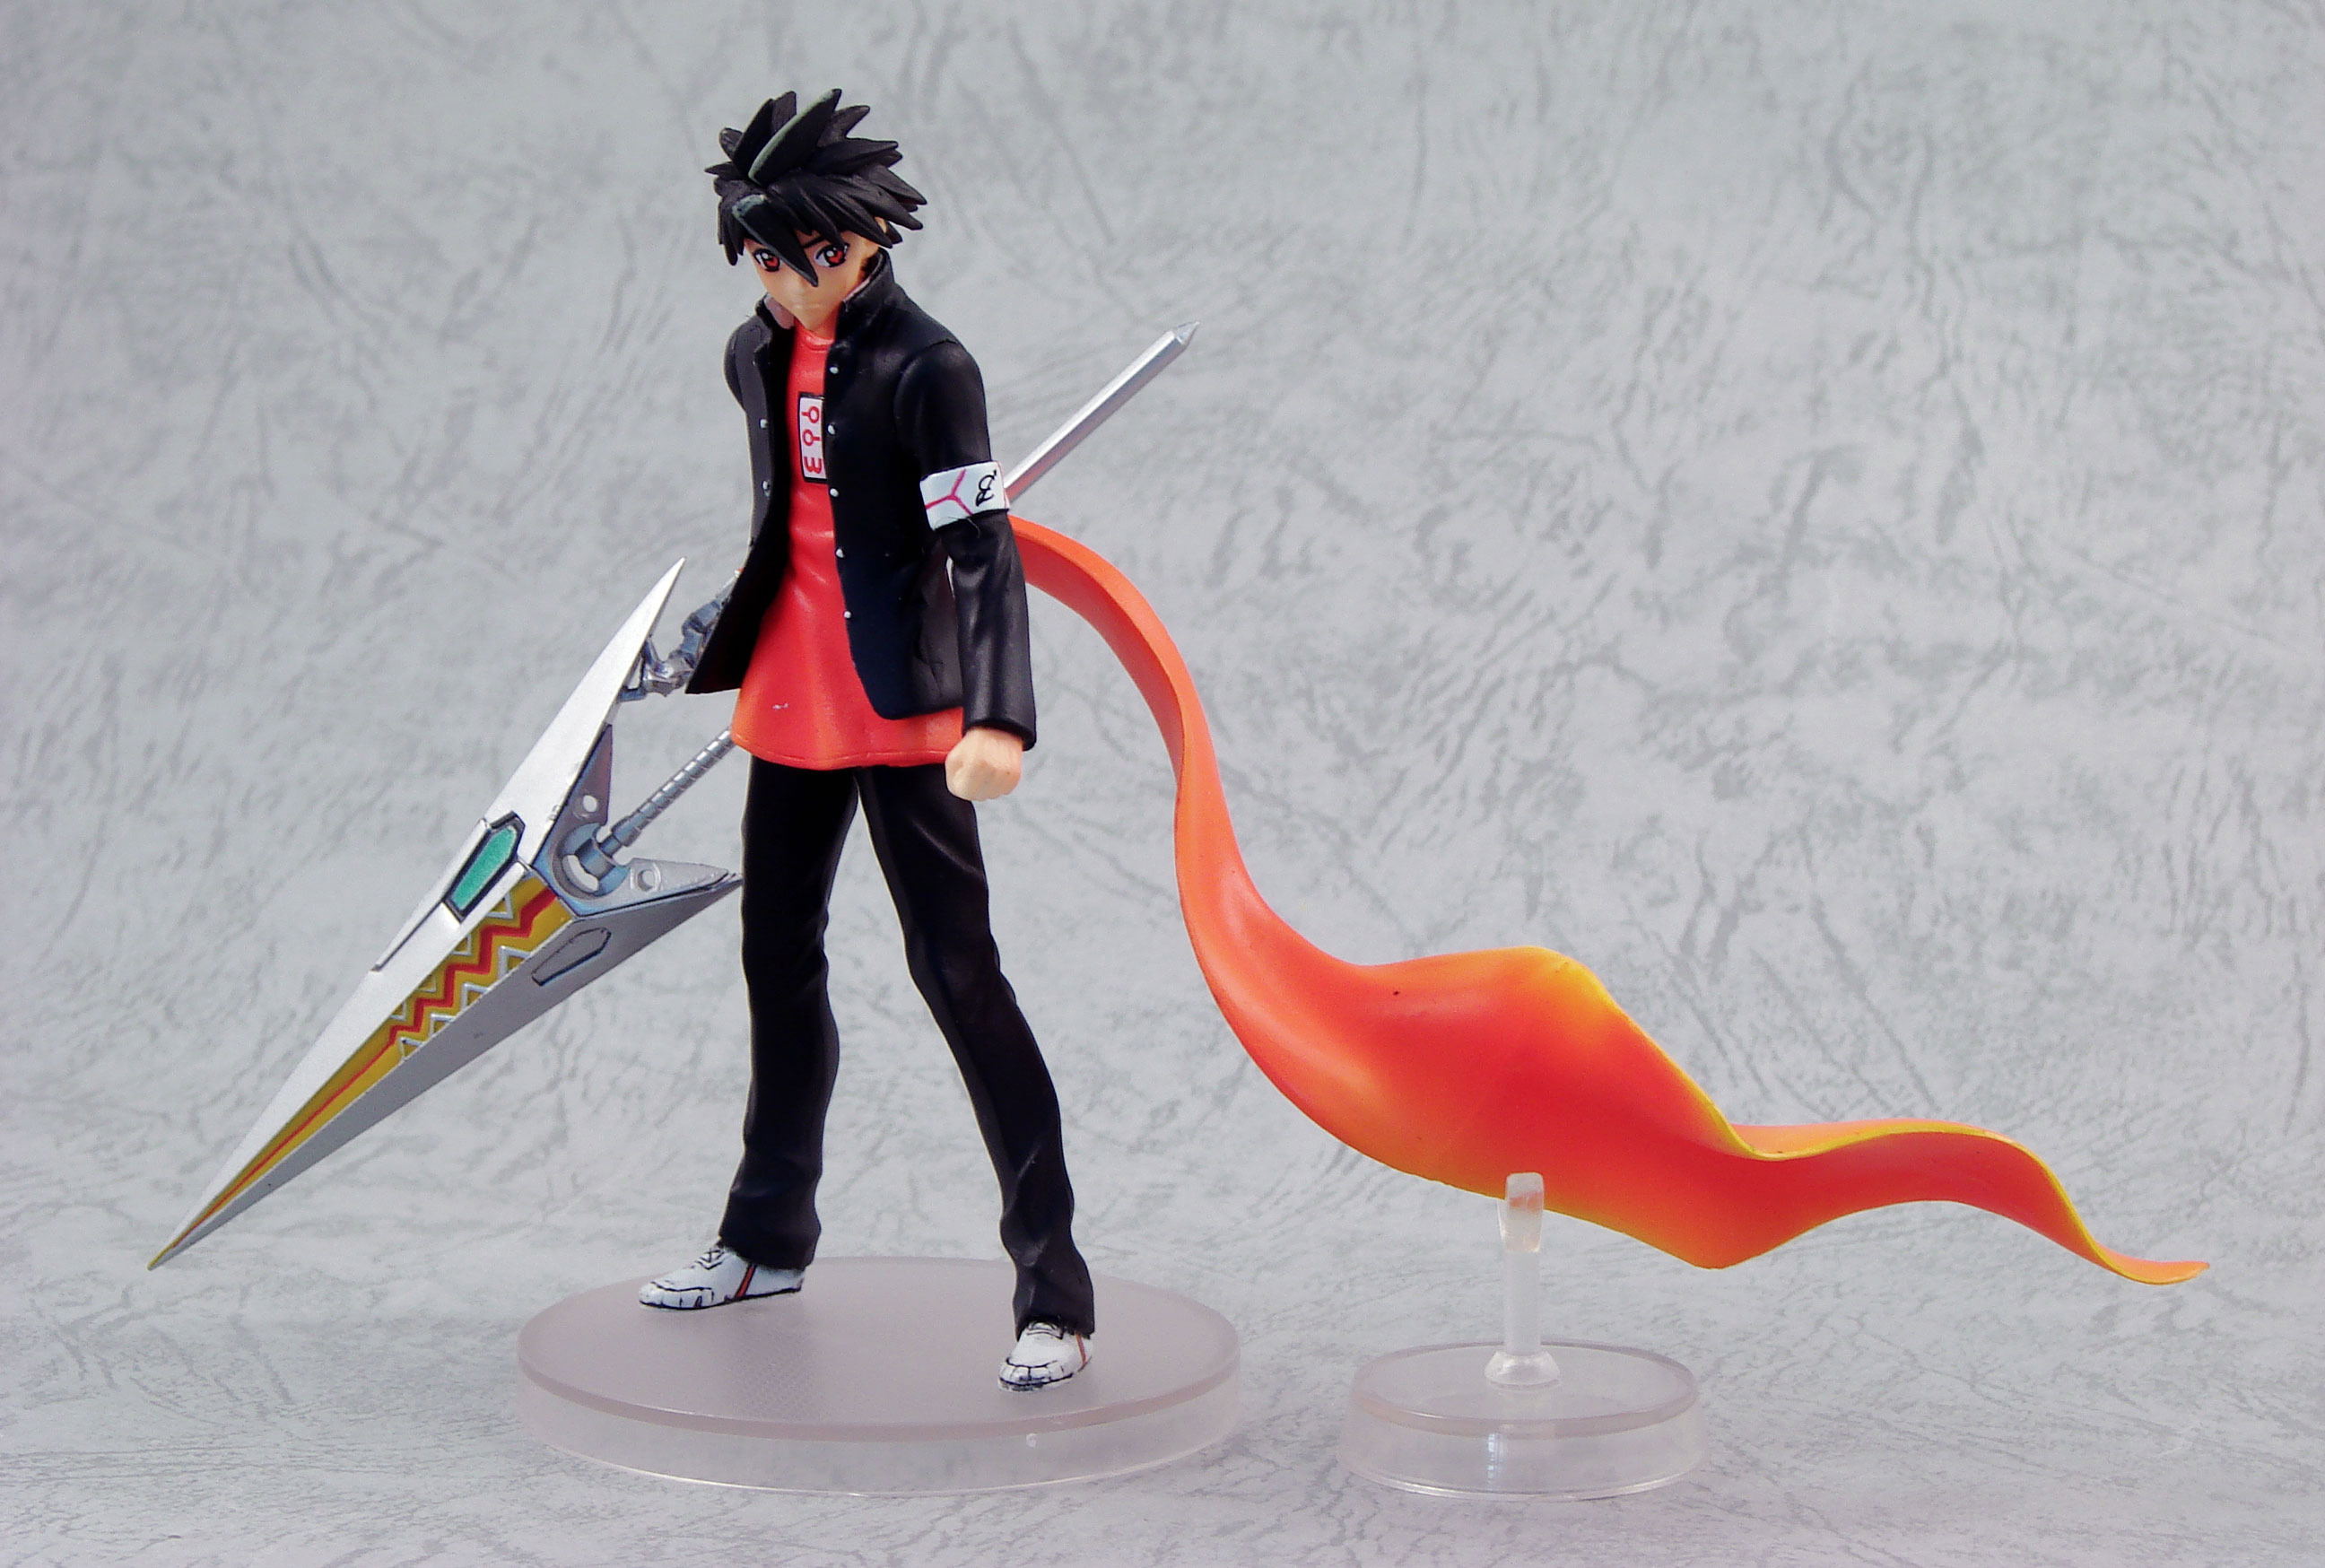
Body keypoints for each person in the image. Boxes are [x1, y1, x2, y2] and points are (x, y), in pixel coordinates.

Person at [635, 90, 1095, 1392]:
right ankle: (764, 1237)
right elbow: (787, 526)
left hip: (906, 709)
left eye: (812, 256)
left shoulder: (929, 366)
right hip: (790, 692)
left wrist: (999, 715)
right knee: (776, 961)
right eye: (763, 260)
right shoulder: (752, 353)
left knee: (960, 976)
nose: (788, 283)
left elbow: (981, 550)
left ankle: (1054, 1293)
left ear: (868, 240)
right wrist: (717, 632)